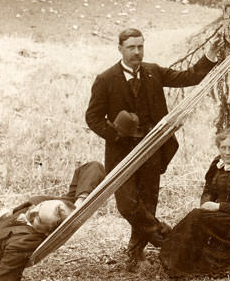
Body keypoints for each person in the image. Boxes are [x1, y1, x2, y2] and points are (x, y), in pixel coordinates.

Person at [85, 28, 221, 268]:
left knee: (148, 201)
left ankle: (135, 253)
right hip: (122, 153)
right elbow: (93, 118)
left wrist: (209, 56)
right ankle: (165, 236)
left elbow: (190, 77)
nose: (137, 52)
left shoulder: (153, 72)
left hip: (153, 148)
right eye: (131, 47)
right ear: (120, 49)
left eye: (140, 46)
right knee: (126, 204)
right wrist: (116, 135)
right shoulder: (105, 80)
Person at [158, 129, 230, 278]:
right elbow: (208, 190)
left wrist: (218, 207)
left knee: (196, 217)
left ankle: (176, 264)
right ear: (218, 148)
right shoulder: (217, 164)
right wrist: (206, 203)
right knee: (197, 216)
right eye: (223, 148)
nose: (227, 152)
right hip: (219, 215)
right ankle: (173, 259)